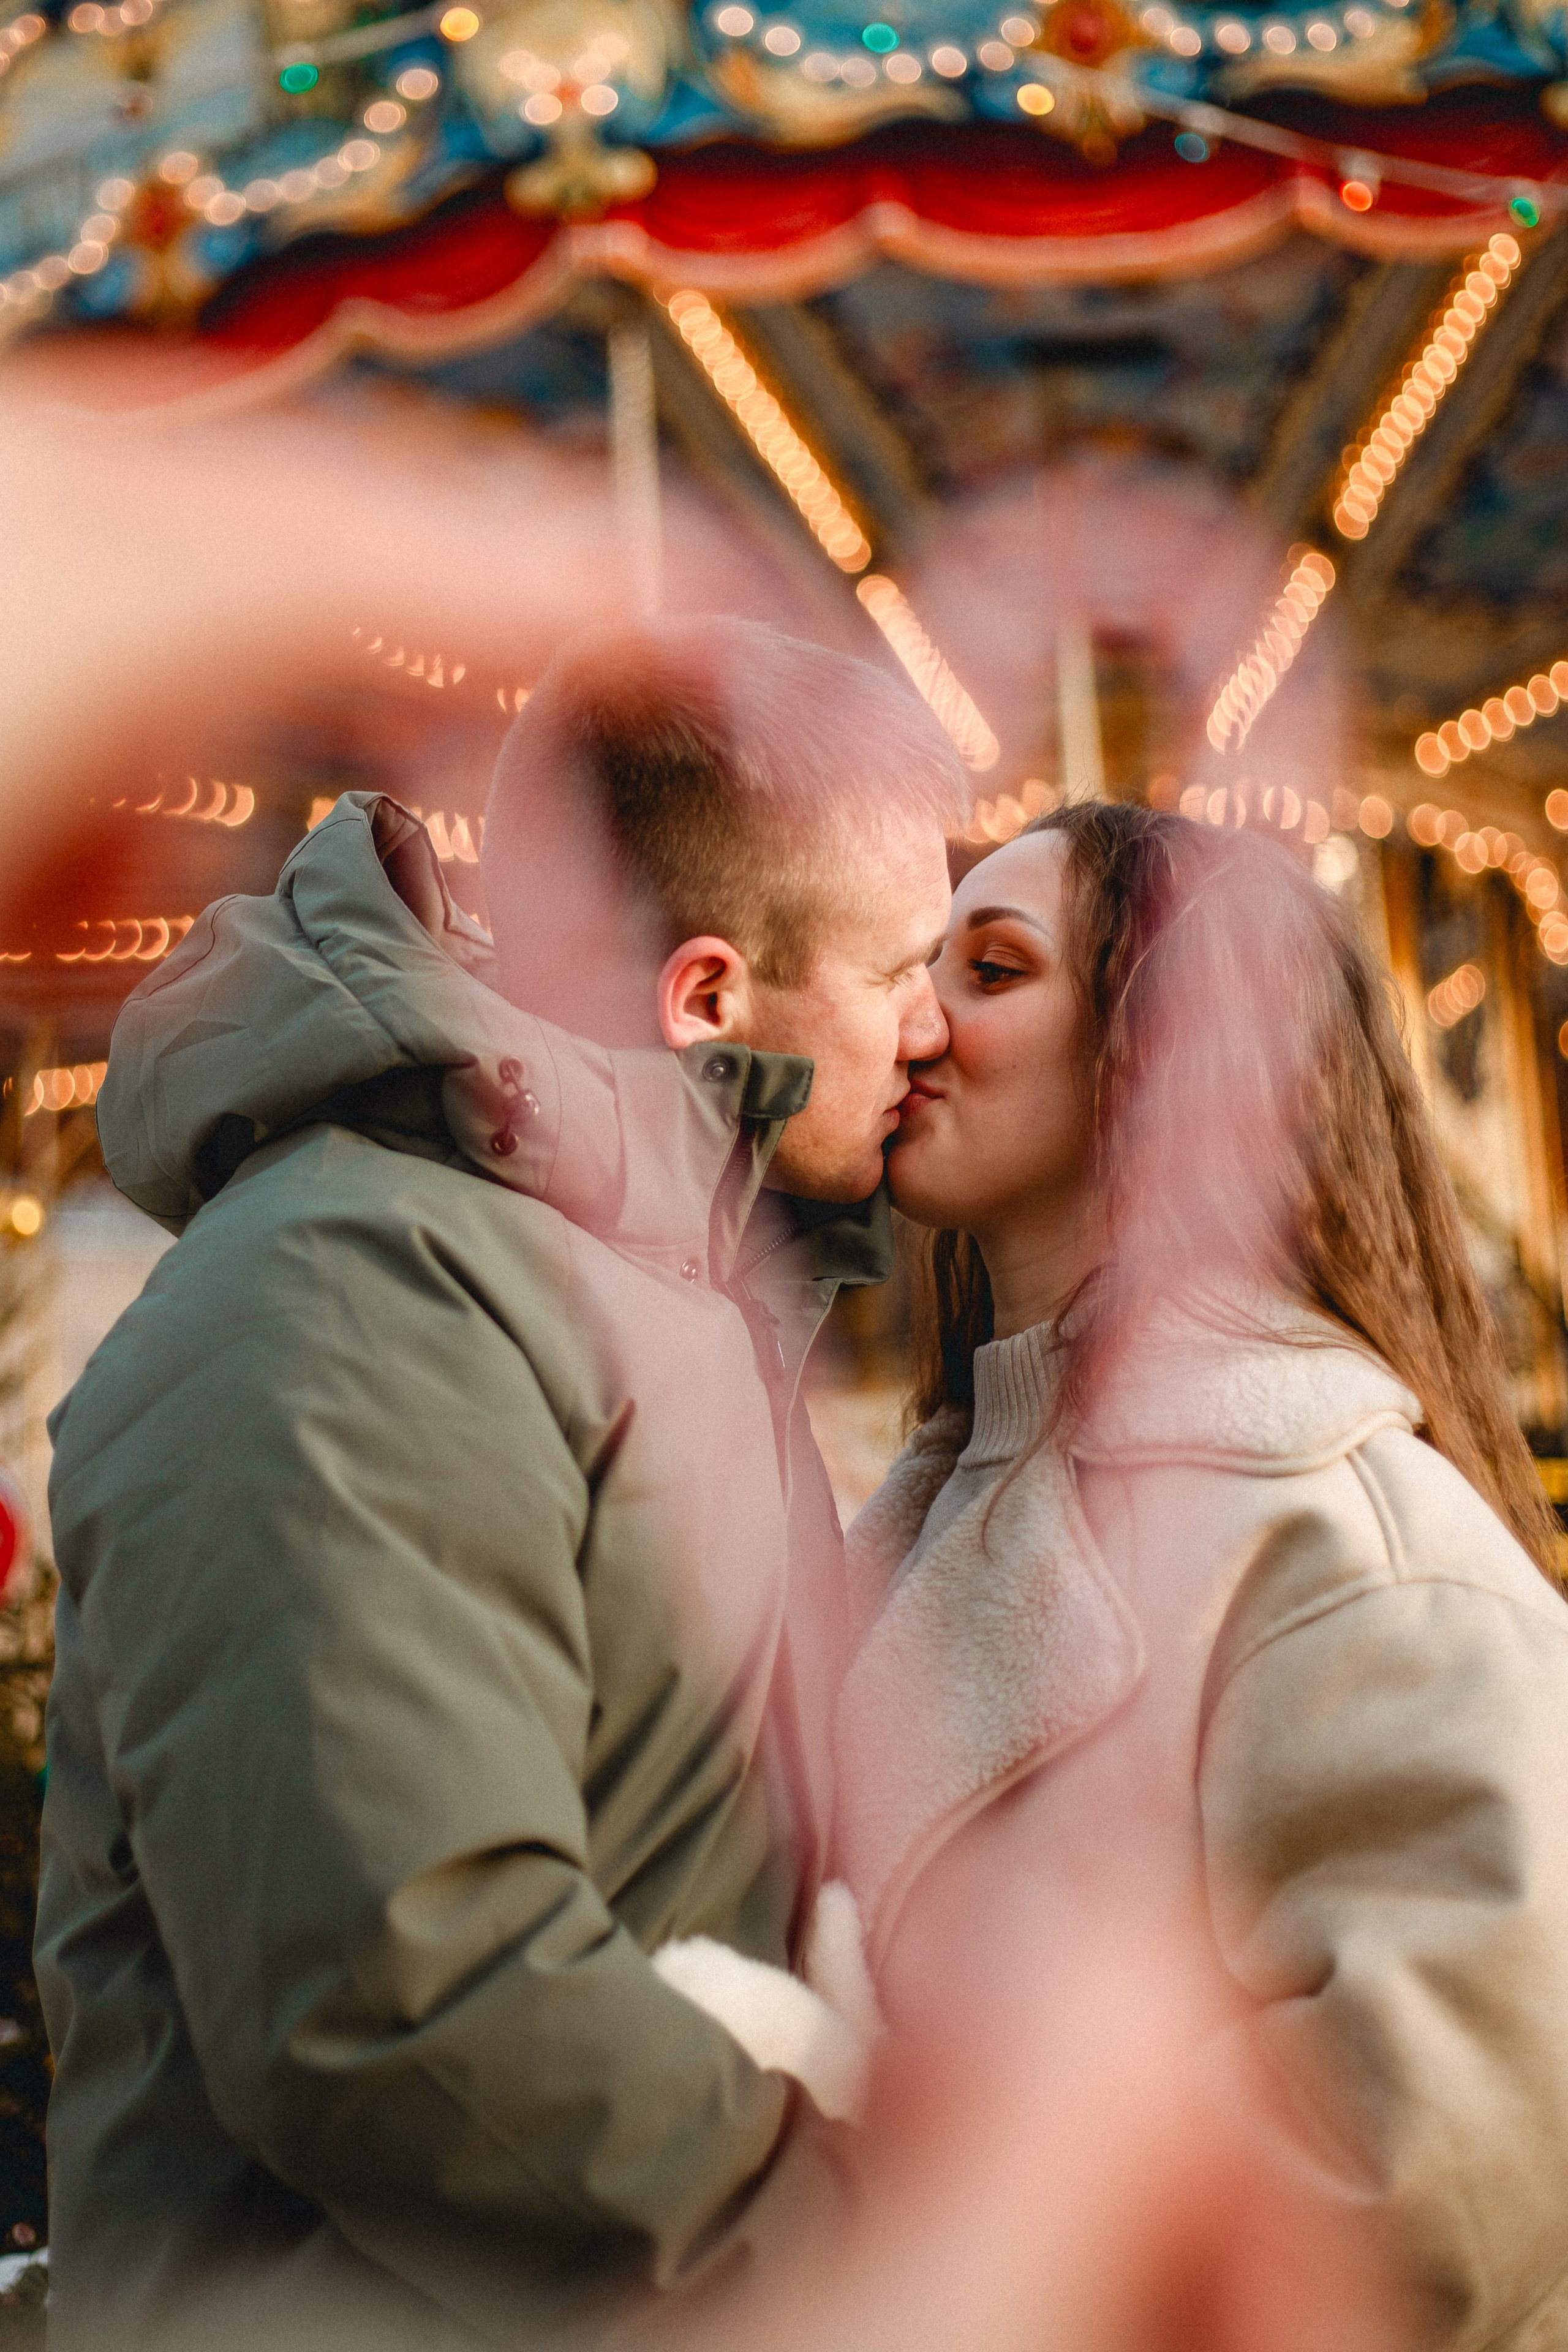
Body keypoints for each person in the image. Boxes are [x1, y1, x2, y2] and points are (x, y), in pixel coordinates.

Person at [36, 617, 962, 2352]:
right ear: (708, 1003)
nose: (930, 1026)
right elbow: (406, 2002)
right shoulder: (355, 1294)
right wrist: (892, 2259)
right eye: (906, 963)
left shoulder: (659, 1285)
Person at [834, 799, 1568, 2350]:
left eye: (991, 966)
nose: (915, 1018)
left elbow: (1440, 2147)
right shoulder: (937, 1485)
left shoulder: (1341, 1536)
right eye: (923, 961)